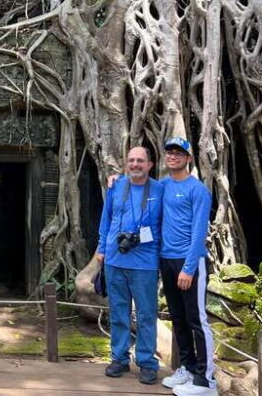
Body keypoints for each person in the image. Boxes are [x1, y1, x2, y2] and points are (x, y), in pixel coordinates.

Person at [97, 146, 164, 385]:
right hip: (115, 260)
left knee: (146, 313)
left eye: (140, 161)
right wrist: (101, 249)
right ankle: (119, 357)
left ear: (150, 165)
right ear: (126, 163)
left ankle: (147, 362)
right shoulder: (116, 186)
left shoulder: (160, 189)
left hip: (145, 262)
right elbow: (106, 219)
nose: (135, 164)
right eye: (131, 160)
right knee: (118, 311)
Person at [159, 137, 216, 396]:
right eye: (170, 152)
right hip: (167, 259)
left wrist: (189, 268)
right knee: (178, 317)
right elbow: (137, 183)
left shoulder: (198, 190)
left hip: (189, 261)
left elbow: (199, 232)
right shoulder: (163, 185)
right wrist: (115, 180)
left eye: (179, 153)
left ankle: (206, 380)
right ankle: (188, 368)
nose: (173, 156)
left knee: (196, 319)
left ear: (189, 158)